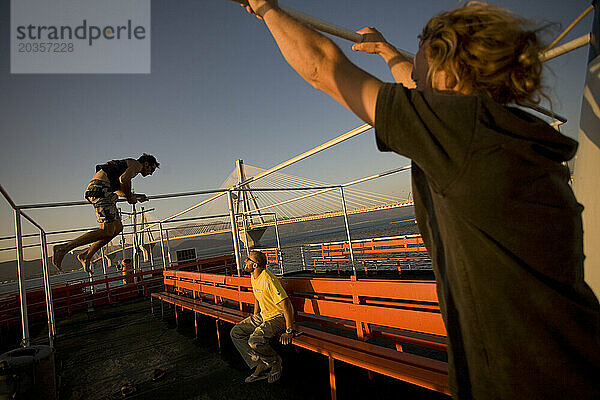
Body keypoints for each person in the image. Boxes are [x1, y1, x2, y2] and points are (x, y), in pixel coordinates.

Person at [239, 1, 600, 399]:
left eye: (421, 47)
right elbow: (417, 89)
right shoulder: (502, 135)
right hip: (570, 364)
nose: (414, 62)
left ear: (447, 63)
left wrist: (267, 9)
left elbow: (324, 68)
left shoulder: (462, 133)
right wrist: (387, 52)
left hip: (523, 382)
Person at [52, 154, 159, 274]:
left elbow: (119, 190)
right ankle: (63, 248)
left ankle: (87, 255)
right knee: (107, 230)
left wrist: (137, 196)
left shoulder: (124, 166)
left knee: (117, 228)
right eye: (152, 169)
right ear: (145, 164)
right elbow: (124, 180)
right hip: (101, 191)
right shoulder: (136, 165)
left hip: (103, 190)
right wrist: (130, 198)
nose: (151, 173)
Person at [230, 250, 295, 384]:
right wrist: (254, 316)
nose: (245, 261)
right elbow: (257, 298)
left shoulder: (268, 279)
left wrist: (289, 330)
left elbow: (286, 303)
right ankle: (261, 363)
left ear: (255, 265)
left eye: (248, 260)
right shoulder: (254, 277)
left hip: (277, 317)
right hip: (263, 315)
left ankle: (275, 361)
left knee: (254, 340)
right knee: (236, 332)